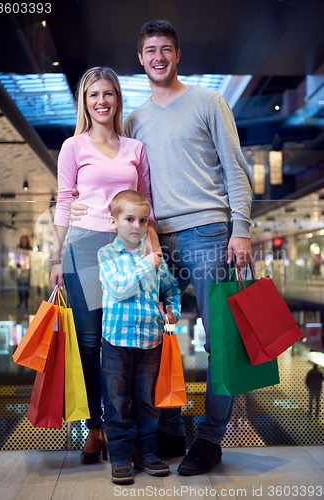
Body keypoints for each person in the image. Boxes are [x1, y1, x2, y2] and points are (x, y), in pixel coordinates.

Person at [70, 20, 252, 476]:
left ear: (177, 54)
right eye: (150, 49)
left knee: (220, 343)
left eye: (166, 48)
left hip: (208, 232)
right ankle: (168, 430)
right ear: (140, 58)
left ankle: (210, 439)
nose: (158, 56)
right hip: (150, 239)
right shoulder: (134, 120)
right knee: (155, 337)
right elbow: (124, 182)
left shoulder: (209, 101)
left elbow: (236, 168)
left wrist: (241, 228)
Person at [50, 66, 158, 465]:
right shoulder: (73, 146)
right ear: (85, 101)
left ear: (117, 100)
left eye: (108, 94)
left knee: (124, 343)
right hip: (85, 249)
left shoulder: (135, 148)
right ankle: (96, 430)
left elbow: (147, 203)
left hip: (129, 251)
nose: (101, 102)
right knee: (92, 343)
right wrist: (55, 256)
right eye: (93, 95)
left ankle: (121, 430)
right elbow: (64, 201)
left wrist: (153, 251)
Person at [98, 190, 181, 485]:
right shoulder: (107, 255)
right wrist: (148, 262)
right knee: (117, 401)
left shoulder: (157, 260)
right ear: (114, 221)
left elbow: (171, 288)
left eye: (142, 220)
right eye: (129, 219)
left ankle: (146, 452)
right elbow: (119, 288)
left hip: (151, 341)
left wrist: (173, 310)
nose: (136, 225)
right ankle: (120, 456)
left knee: (147, 401)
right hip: (117, 341)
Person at [16, 235, 32, 309]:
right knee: (19, 287)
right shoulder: (18, 248)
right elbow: (16, 258)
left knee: (26, 287)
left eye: (25, 240)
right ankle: (20, 301)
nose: (24, 241)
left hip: (27, 270)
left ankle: (26, 302)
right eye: (23, 240)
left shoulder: (30, 249)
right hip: (20, 270)